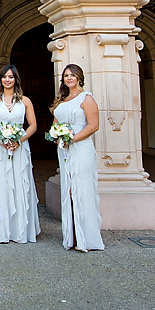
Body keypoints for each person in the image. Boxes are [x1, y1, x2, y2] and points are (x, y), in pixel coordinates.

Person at [0, 64, 41, 243]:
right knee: (1, 184)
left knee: (20, 182)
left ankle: (20, 230)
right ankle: (2, 231)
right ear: (0, 79)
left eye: (11, 77)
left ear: (16, 79)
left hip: (19, 146)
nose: (7, 80)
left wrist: (19, 140)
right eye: (4, 77)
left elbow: (33, 125)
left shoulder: (25, 101)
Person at [50, 63, 104, 252]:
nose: (69, 78)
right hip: (64, 150)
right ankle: (71, 236)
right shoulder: (63, 100)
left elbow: (93, 125)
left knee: (81, 190)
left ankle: (87, 239)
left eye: (72, 75)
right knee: (68, 191)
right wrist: (57, 137)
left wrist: (72, 138)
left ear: (79, 78)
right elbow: (55, 124)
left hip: (81, 148)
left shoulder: (86, 98)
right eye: (66, 75)